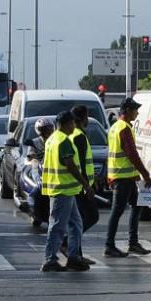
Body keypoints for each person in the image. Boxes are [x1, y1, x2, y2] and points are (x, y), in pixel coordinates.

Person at [41, 111, 92, 272]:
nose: (74, 127)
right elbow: (70, 165)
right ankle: (50, 259)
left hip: (64, 190)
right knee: (57, 226)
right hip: (62, 190)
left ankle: (73, 257)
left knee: (76, 224)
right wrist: (86, 185)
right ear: (65, 124)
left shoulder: (52, 139)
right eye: (72, 124)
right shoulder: (63, 141)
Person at [105, 98, 151, 257]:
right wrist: (145, 174)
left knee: (137, 206)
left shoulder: (115, 127)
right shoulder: (123, 128)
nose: (137, 113)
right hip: (122, 177)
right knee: (117, 211)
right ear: (127, 111)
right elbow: (131, 153)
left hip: (126, 176)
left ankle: (133, 243)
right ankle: (109, 245)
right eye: (135, 110)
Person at [66, 105, 100, 264]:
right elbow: (79, 163)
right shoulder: (79, 136)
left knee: (79, 219)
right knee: (91, 216)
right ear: (83, 118)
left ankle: (76, 252)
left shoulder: (74, 134)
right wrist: (87, 185)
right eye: (87, 116)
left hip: (78, 184)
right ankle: (68, 244)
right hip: (80, 186)